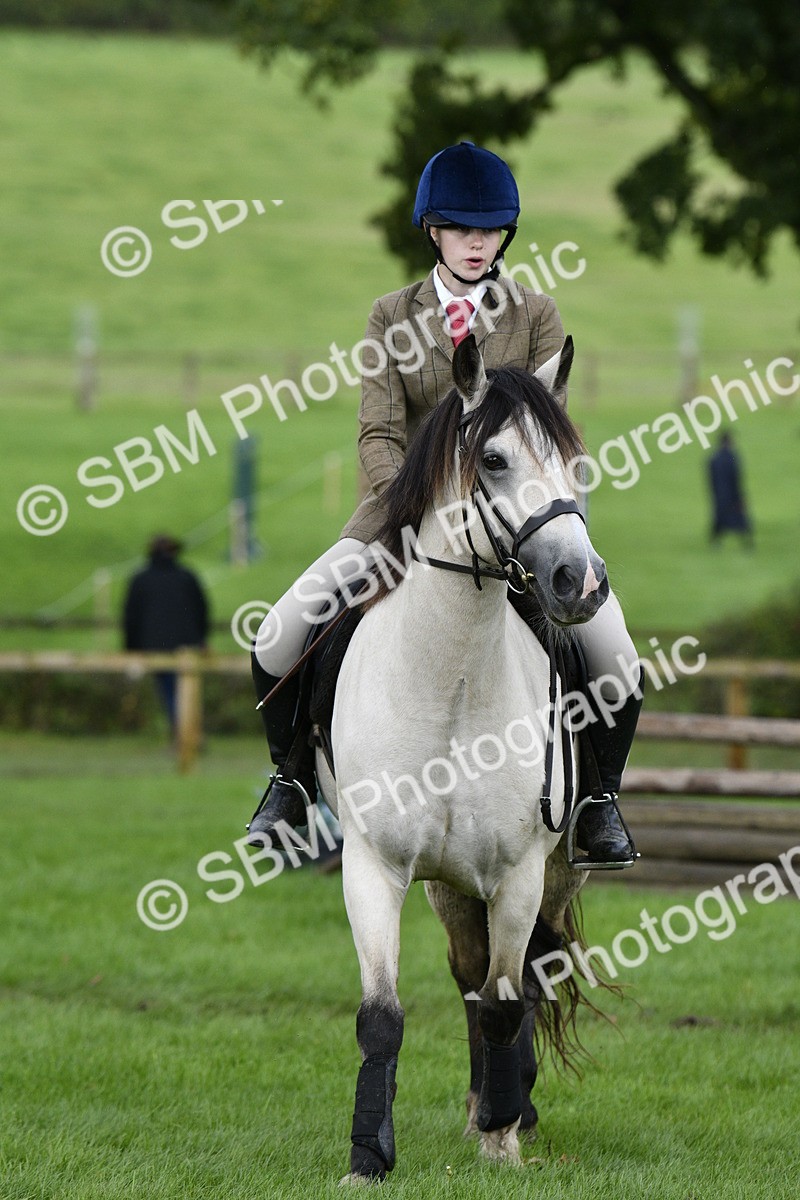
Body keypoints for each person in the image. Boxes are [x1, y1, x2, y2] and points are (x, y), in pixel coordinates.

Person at [247, 142, 643, 866]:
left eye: (489, 231)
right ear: (433, 229)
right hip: (399, 523)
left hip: (517, 533)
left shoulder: (537, 316)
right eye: (462, 228)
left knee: (617, 655)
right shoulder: (390, 316)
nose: (476, 242)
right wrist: (413, 514)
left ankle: (598, 803)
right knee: (276, 635)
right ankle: (291, 785)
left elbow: (551, 436)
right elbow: (377, 431)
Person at [123, 534, 209, 734]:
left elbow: (131, 617)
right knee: (185, 692)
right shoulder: (187, 576)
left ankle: (183, 736)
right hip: (186, 646)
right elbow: (201, 609)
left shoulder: (141, 579)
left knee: (171, 693)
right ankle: (189, 735)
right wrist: (201, 639)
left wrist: (131, 648)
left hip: (155, 647)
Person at [708, 431, 753, 547]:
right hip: (733, 494)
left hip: (719, 494)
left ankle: (715, 543)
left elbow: (711, 479)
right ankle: (747, 543)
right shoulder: (733, 457)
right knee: (741, 520)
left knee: (719, 519)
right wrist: (741, 496)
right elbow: (736, 478)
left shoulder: (713, 458)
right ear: (729, 441)